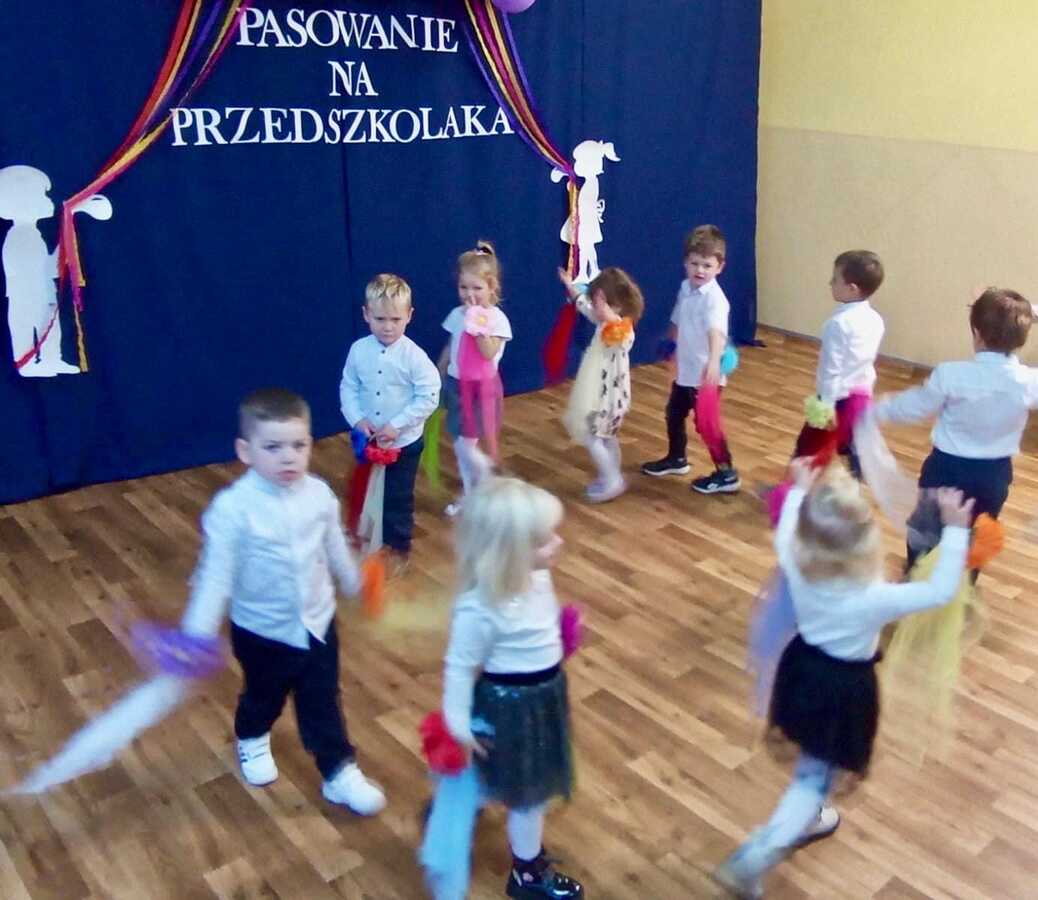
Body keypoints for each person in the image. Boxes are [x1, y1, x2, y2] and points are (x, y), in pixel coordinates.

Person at [716, 461, 972, 898]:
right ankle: (759, 851)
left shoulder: (795, 561)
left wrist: (799, 490)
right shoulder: (874, 598)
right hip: (841, 691)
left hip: (802, 673)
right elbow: (941, 591)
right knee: (814, 776)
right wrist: (956, 530)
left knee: (814, 755)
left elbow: (785, 533)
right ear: (866, 545)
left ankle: (809, 812)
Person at [180, 388, 386, 814]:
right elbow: (215, 577)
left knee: (322, 699)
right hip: (261, 631)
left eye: (298, 445)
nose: (288, 457)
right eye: (272, 447)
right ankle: (252, 737)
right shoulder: (232, 510)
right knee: (263, 695)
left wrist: (356, 584)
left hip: (318, 623)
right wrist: (196, 634)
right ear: (245, 451)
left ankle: (339, 770)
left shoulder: (320, 496)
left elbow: (334, 547)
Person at [424, 477, 582, 899]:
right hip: (510, 708)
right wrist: (457, 724)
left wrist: (555, 642)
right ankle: (527, 874)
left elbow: (536, 629)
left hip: (544, 697)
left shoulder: (537, 576)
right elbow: (459, 669)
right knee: (529, 797)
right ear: (510, 552)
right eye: (545, 540)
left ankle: (462, 801)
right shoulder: (479, 608)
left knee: (498, 773)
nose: (559, 542)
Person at [874, 286, 1038, 573]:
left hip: (946, 470)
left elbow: (915, 406)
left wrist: (879, 409)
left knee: (926, 530)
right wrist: (1025, 314)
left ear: (976, 334)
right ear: (1022, 338)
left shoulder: (951, 374)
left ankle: (917, 578)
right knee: (977, 534)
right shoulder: (1029, 382)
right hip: (994, 476)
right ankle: (961, 586)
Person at [340, 273, 441, 570]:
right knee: (367, 490)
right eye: (380, 319)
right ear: (366, 315)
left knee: (397, 497)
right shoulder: (359, 350)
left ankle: (397, 548)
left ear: (409, 316)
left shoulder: (414, 357)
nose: (387, 327)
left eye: (395, 320)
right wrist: (357, 419)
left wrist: (398, 425)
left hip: (404, 444)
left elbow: (429, 396)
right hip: (369, 440)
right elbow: (349, 386)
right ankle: (367, 539)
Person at [641, 224, 740, 494]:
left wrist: (714, 362)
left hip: (706, 375)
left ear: (720, 267)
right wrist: (670, 341)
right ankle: (677, 458)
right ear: (685, 262)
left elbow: (716, 333)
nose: (700, 270)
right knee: (674, 413)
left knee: (707, 425)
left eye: (707, 265)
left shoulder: (714, 300)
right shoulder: (686, 288)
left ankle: (726, 473)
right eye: (695, 263)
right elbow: (678, 317)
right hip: (686, 371)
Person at [791, 250, 885, 476]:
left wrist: (826, 405)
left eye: (835, 279)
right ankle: (854, 455)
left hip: (837, 400)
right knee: (840, 440)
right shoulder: (875, 319)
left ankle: (795, 489)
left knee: (807, 449)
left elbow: (831, 370)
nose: (830, 283)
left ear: (852, 288)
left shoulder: (838, 324)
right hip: (861, 398)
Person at [438, 242, 513, 516]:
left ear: (492, 287)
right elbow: (451, 347)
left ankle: (493, 480)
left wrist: (478, 324)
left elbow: (489, 352)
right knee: (460, 443)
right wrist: (438, 373)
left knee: (466, 445)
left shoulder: (497, 320)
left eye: (477, 288)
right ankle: (470, 493)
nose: (469, 294)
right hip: (457, 386)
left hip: (482, 390)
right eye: (463, 287)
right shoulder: (456, 315)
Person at [558, 265, 644, 502]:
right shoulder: (602, 322)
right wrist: (570, 287)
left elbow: (622, 340)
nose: (596, 307)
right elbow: (584, 306)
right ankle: (611, 475)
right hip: (602, 395)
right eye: (596, 301)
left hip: (608, 399)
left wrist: (609, 316)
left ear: (617, 304)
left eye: (601, 302)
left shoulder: (623, 331)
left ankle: (612, 479)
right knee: (607, 436)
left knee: (593, 437)